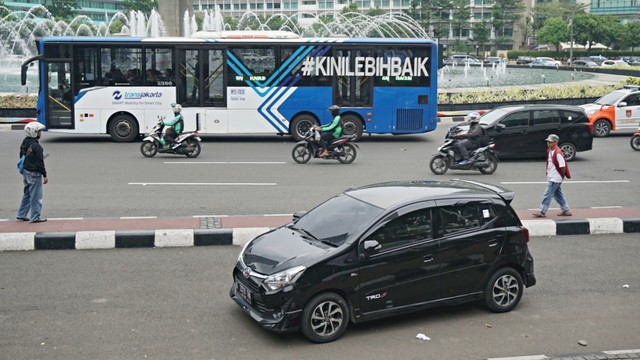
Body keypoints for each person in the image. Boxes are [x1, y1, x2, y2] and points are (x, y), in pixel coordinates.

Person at [532, 134, 572, 218]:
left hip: (555, 178)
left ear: (555, 142)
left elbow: (563, 166)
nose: (548, 143)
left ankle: (542, 211)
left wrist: (560, 176)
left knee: (547, 194)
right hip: (552, 176)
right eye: (548, 142)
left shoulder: (558, 153)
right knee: (558, 194)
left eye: (550, 142)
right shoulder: (550, 151)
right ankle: (565, 210)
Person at [16, 122, 48, 223]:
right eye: (39, 131)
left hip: (26, 171)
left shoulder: (25, 142)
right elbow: (40, 163)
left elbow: (21, 155)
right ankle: (35, 217)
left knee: (27, 194)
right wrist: (45, 175)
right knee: (36, 196)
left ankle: (21, 214)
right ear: (34, 133)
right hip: (34, 173)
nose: (40, 133)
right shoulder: (37, 146)